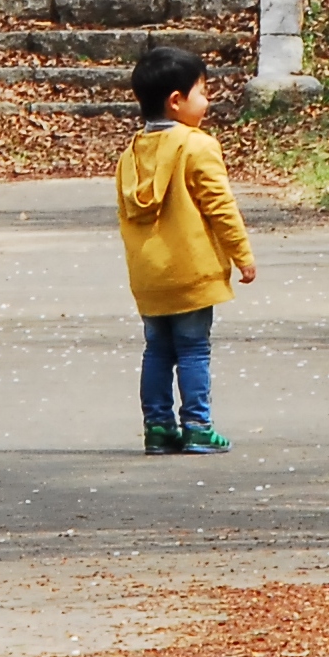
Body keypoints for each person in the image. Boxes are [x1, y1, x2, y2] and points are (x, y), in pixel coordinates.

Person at [115, 43, 257, 455]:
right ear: (176, 101)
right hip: (192, 272)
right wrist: (241, 255)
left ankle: (158, 427)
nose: (207, 101)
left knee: (157, 350)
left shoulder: (131, 154)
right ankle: (197, 425)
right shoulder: (197, 146)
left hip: (149, 277)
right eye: (202, 91)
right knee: (194, 349)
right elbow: (220, 207)